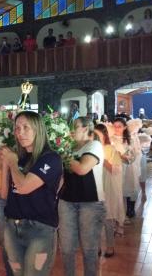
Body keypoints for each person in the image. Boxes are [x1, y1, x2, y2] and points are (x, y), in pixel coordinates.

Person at [0, 111, 62, 276]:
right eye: (17, 128)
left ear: (38, 129)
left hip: (40, 229)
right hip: (12, 227)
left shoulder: (51, 158)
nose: (20, 132)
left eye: (26, 127)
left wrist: (11, 163)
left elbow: (24, 187)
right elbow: (5, 194)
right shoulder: (18, 158)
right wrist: (6, 163)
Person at [58, 117, 105, 276]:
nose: (71, 130)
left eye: (75, 127)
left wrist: (63, 150)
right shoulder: (69, 147)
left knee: (89, 249)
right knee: (66, 248)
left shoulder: (94, 145)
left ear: (86, 128)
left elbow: (82, 169)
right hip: (66, 201)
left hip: (90, 203)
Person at [95, 124, 124, 256]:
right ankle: (96, 247)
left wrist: (103, 160)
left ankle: (110, 246)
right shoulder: (90, 149)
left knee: (107, 219)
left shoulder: (110, 149)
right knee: (93, 219)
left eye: (98, 135)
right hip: (93, 188)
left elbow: (116, 170)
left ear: (104, 136)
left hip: (106, 187)